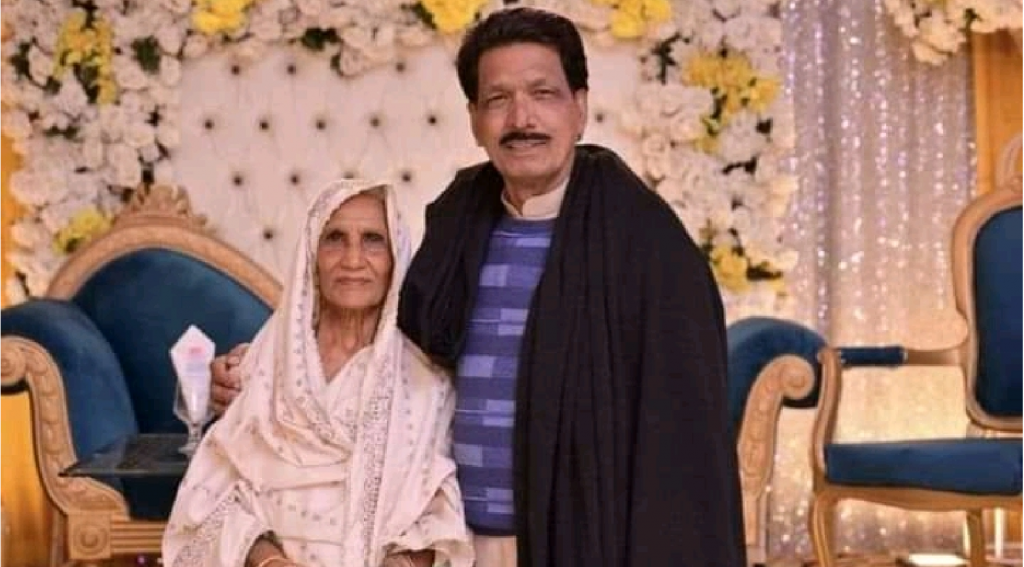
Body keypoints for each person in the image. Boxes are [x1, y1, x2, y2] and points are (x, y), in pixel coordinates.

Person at [212, 7, 746, 566]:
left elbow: (684, 445)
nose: (522, 118)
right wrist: (262, 371)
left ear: (580, 107)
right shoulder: (457, 222)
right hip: (454, 544)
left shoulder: (646, 244)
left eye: (543, 93)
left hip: (587, 543)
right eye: (497, 99)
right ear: (474, 120)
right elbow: (392, 351)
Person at [163, 179, 473, 567]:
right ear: (311, 256)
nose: (353, 260)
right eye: (335, 239)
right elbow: (212, 497)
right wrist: (270, 562)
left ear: (396, 256)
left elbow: (441, 511)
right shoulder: (261, 367)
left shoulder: (428, 380)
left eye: (373, 240)